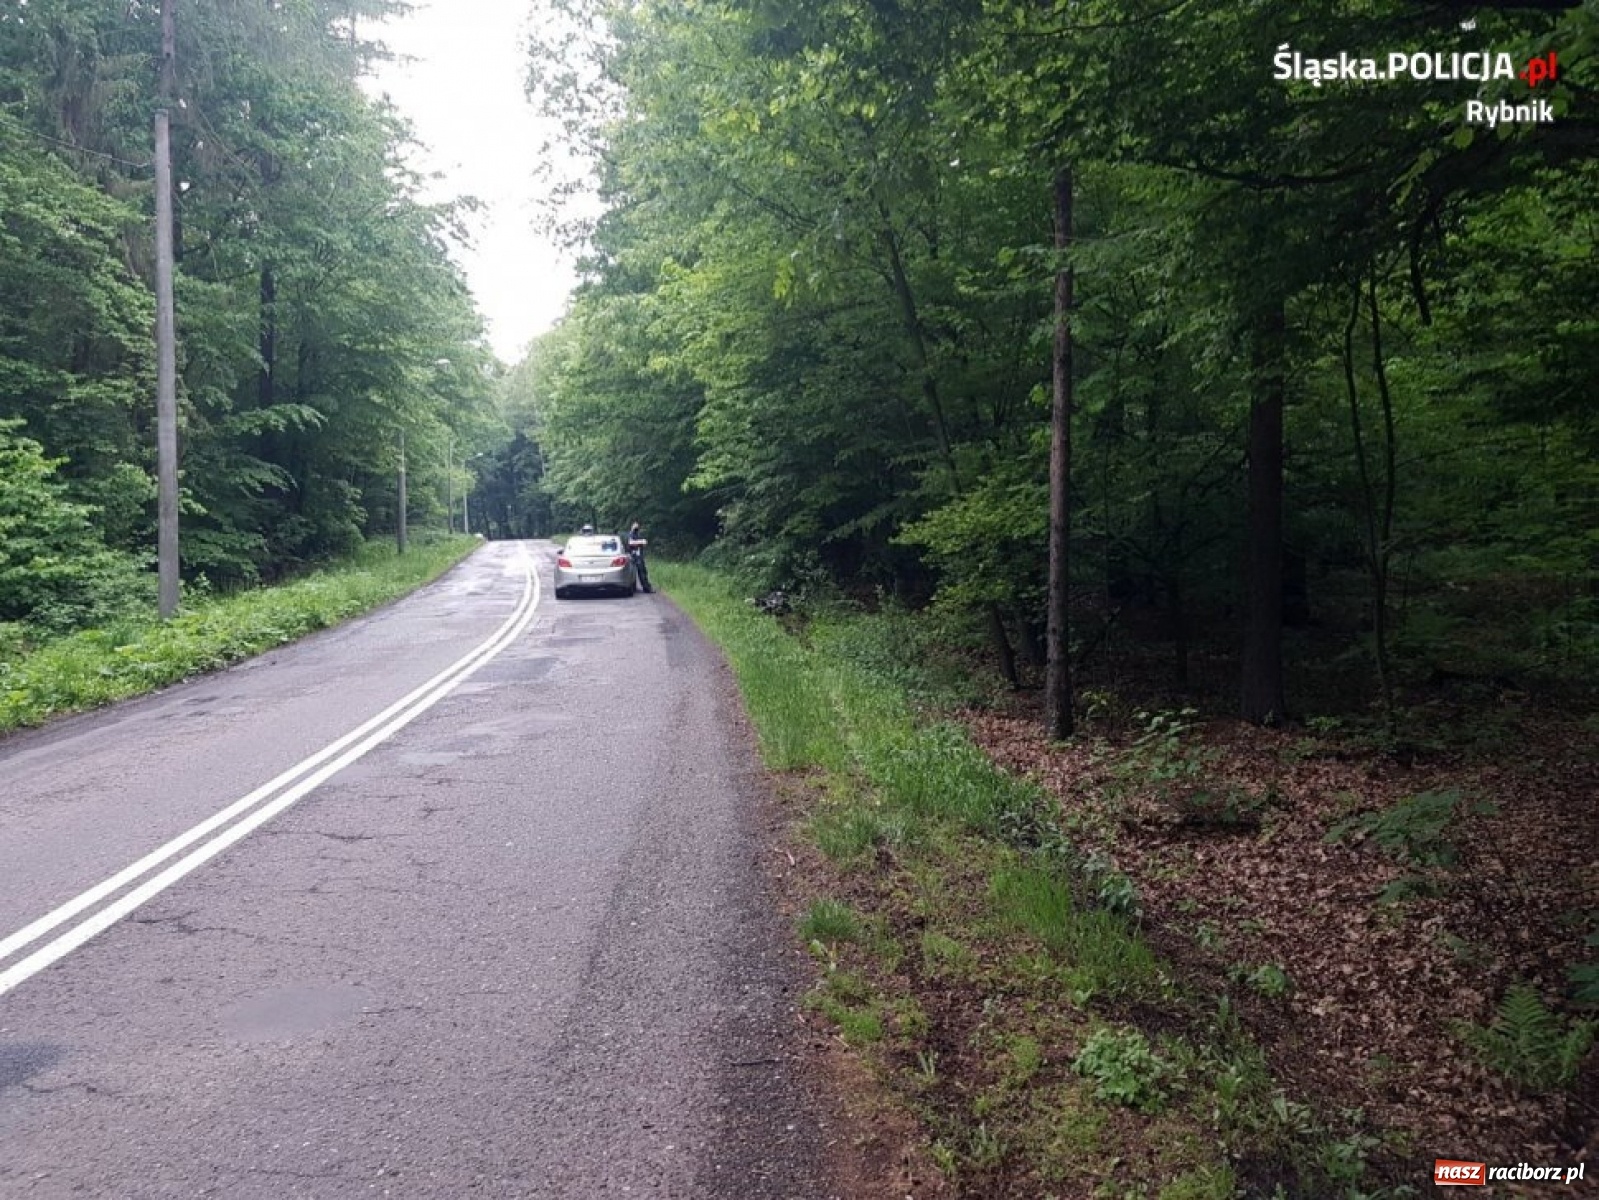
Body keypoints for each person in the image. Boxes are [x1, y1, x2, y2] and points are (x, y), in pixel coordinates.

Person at [627, 521, 652, 593]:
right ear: (632, 526)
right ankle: (646, 588)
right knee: (641, 572)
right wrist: (641, 542)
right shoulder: (631, 534)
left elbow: (644, 543)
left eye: (637, 526)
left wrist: (641, 542)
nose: (636, 527)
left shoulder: (637, 534)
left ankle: (646, 587)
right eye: (635, 526)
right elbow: (631, 543)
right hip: (635, 555)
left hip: (638, 555)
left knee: (643, 571)